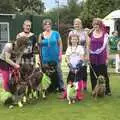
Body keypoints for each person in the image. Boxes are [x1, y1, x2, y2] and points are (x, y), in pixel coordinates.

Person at [38, 19, 64, 92]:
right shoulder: (41, 35)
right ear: (43, 26)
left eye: (49, 24)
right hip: (45, 57)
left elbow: (60, 44)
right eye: (46, 24)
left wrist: (60, 54)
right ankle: (48, 88)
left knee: (58, 72)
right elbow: (39, 46)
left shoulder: (56, 33)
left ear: (51, 25)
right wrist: (40, 58)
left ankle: (61, 87)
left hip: (55, 56)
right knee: (47, 73)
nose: (47, 25)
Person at [89, 18, 111, 96]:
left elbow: (107, 46)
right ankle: (94, 90)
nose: (96, 26)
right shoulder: (91, 33)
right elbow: (88, 45)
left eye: (97, 24)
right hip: (93, 56)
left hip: (102, 56)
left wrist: (107, 58)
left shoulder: (105, 34)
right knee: (93, 74)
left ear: (100, 25)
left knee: (104, 74)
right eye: (94, 24)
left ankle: (107, 90)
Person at [68, 18, 89, 90]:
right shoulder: (71, 33)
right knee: (73, 70)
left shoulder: (84, 33)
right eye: (75, 24)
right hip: (74, 55)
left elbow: (88, 45)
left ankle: (84, 84)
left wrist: (87, 55)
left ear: (81, 25)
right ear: (74, 25)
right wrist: (69, 55)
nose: (77, 25)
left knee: (83, 70)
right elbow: (69, 44)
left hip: (83, 55)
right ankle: (74, 84)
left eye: (78, 24)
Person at [65, 34, 85, 100]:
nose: (74, 40)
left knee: (78, 81)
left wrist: (77, 67)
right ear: (70, 40)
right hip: (71, 68)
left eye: (75, 39)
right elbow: (67, 58)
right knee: (70, 80)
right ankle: (68, 94)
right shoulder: (68, 48)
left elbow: (82, 58)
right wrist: (70, 66)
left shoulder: (80, 47)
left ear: (77, 40)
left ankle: (79, 95)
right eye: (73, 39)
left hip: (78, 67)